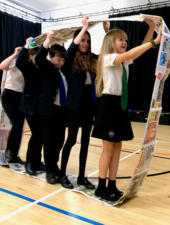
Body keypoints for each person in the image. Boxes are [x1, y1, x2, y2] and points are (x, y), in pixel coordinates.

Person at [92, 19, 162, 201]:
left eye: (125, 40)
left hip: (120, 107)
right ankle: (101, 187)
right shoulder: (108, 59)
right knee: (108, 150)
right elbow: (133, 51)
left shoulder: (123, 62)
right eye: (120, 40)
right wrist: (155, 41)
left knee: (117, 149)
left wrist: (152, 29)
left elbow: (138, 49)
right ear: (110, 43)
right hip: (109, 106)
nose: (124, 42)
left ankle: (112, 186)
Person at [58, 17, 109, 189]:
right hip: (74, 106)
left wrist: (107, 32)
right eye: (82, 40)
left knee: (86, 142)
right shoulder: (69, 60)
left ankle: (81, 177)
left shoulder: (93, 60)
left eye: (88, 41)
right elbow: (71, 48)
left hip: (88, 106)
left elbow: (107, 55)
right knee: (71, 140)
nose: (85, 43)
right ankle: (62, 174)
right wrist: (84, 28)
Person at [35, 30, 69, 184]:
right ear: (51, 57)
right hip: (48, 110)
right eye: (58, 59)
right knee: (49, 141)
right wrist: (48, 39)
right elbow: (39, 58)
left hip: (61, 110)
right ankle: (50, 170)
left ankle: (53, 165)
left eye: (63, 60)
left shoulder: (63, 72)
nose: (61, 62)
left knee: (59, 140)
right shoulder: (47, 67)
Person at [16, 38, 45, 175]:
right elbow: (19, 61)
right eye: (37, 55)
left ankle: (37, 162)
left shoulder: (42, 68)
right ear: (31, 56)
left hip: (40, 107)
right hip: (29, 106)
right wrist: (26, 46)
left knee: (40, 135)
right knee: (36, 135)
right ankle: (29, 163)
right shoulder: (28, 67)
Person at [0, 47, 25, 164]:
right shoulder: (16, 60)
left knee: (19, 126)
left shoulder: (29, 62)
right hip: (9, 95)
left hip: (22, 97)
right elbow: (2, 66)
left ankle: (14, 154)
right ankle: (9, 151)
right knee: (17, 124)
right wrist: (15, 54)